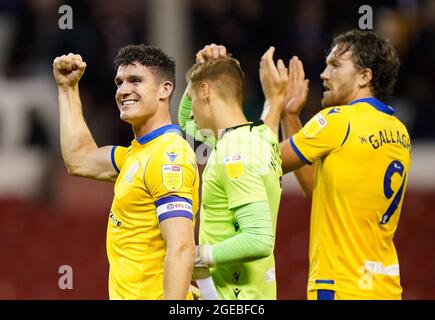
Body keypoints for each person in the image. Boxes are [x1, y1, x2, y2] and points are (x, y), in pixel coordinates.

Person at [260, 29, 411, 300]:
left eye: (335, 66)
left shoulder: (337, 120)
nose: (324, 74)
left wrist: (273, 101)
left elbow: (264, 162)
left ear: (365, 76)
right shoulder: (399, 132)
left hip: (340, 285)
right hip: (385, 288)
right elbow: (316, 188)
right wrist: (290, 116)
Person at [52, 45, 199, 300]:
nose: (123, 90)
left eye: (135, 81)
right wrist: (67, 89)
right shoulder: (134, 156)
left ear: (165, 89)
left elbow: (182, 247)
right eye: (119, 82)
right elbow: (79, 159)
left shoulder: (167, 156)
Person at [178, 47, 283, 299]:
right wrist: (199, 68)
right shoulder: (260, 135)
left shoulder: (234, 152)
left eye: (192, 99)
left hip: (236, 298)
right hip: (255, 293)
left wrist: (199, 256)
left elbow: (259, 240)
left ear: (205, 91)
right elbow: (185, 123)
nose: (191, 111)